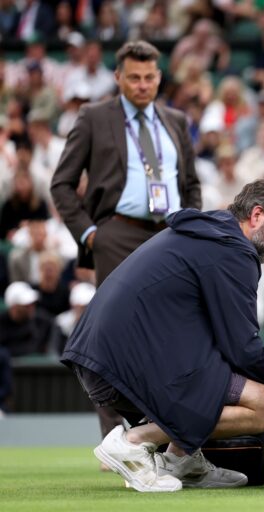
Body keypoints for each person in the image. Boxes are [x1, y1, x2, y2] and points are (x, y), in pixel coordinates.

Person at [60, 178, 264, 492]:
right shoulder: (232, 250)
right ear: (257, 215)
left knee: (222, 370)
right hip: (120, 365)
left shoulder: (210, 233)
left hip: (99, 359)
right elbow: (243, 346)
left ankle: (180, 460)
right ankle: (132, 442)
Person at [50, 39, 202, 443]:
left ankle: (163, 432)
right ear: (117, 77)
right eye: (134, 77)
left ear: (159, 77)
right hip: (117, 232)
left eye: (149, 77)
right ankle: (114, 434)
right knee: (116, 333)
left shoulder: (175, 120)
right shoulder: (94, 116)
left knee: (172, 329)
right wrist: (91, 235)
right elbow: (62, 184)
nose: (142, 85)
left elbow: (190, 184)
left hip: (171, 233)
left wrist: (192, 228)